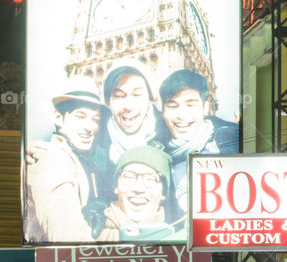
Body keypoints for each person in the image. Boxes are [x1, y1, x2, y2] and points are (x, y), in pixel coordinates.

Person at [24, 79, 111, 243]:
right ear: (58, 117)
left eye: (95, 119)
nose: (90, 126)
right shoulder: (51, 157)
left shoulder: (83, 157)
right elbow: (66, 231)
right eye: (80, 116)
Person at [157, 69, 238, 222]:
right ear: (163, 111)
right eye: (172, 106)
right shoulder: (158, 157)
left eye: (190, 105)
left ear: (205, 107)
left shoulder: (233, 141)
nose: (181, 115)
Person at [96, 146, 178, 242]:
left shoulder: (177, 238)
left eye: (150, 179)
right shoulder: (91, 231)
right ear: (116, 187)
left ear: (163, 193)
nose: (138, 188)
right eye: (129, 177)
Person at [102, 59, 163, 164]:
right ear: (108, 103)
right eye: (119, 96)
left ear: (150, 100)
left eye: (137, 94)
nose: (128, 107)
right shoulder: (95, 149)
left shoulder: (169, 143)